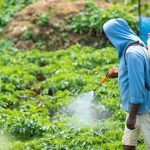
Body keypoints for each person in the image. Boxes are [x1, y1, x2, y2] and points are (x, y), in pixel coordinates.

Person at [102, 18, 150, 150]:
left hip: (142, 109)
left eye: (109, 37)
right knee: (128, 144)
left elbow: (138, 84)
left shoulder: (132, 53)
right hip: (133, 107)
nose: (109, 41)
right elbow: (139, 70)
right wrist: (120, 72)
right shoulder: (136, 43)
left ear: (116, 34)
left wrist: (133, 116)